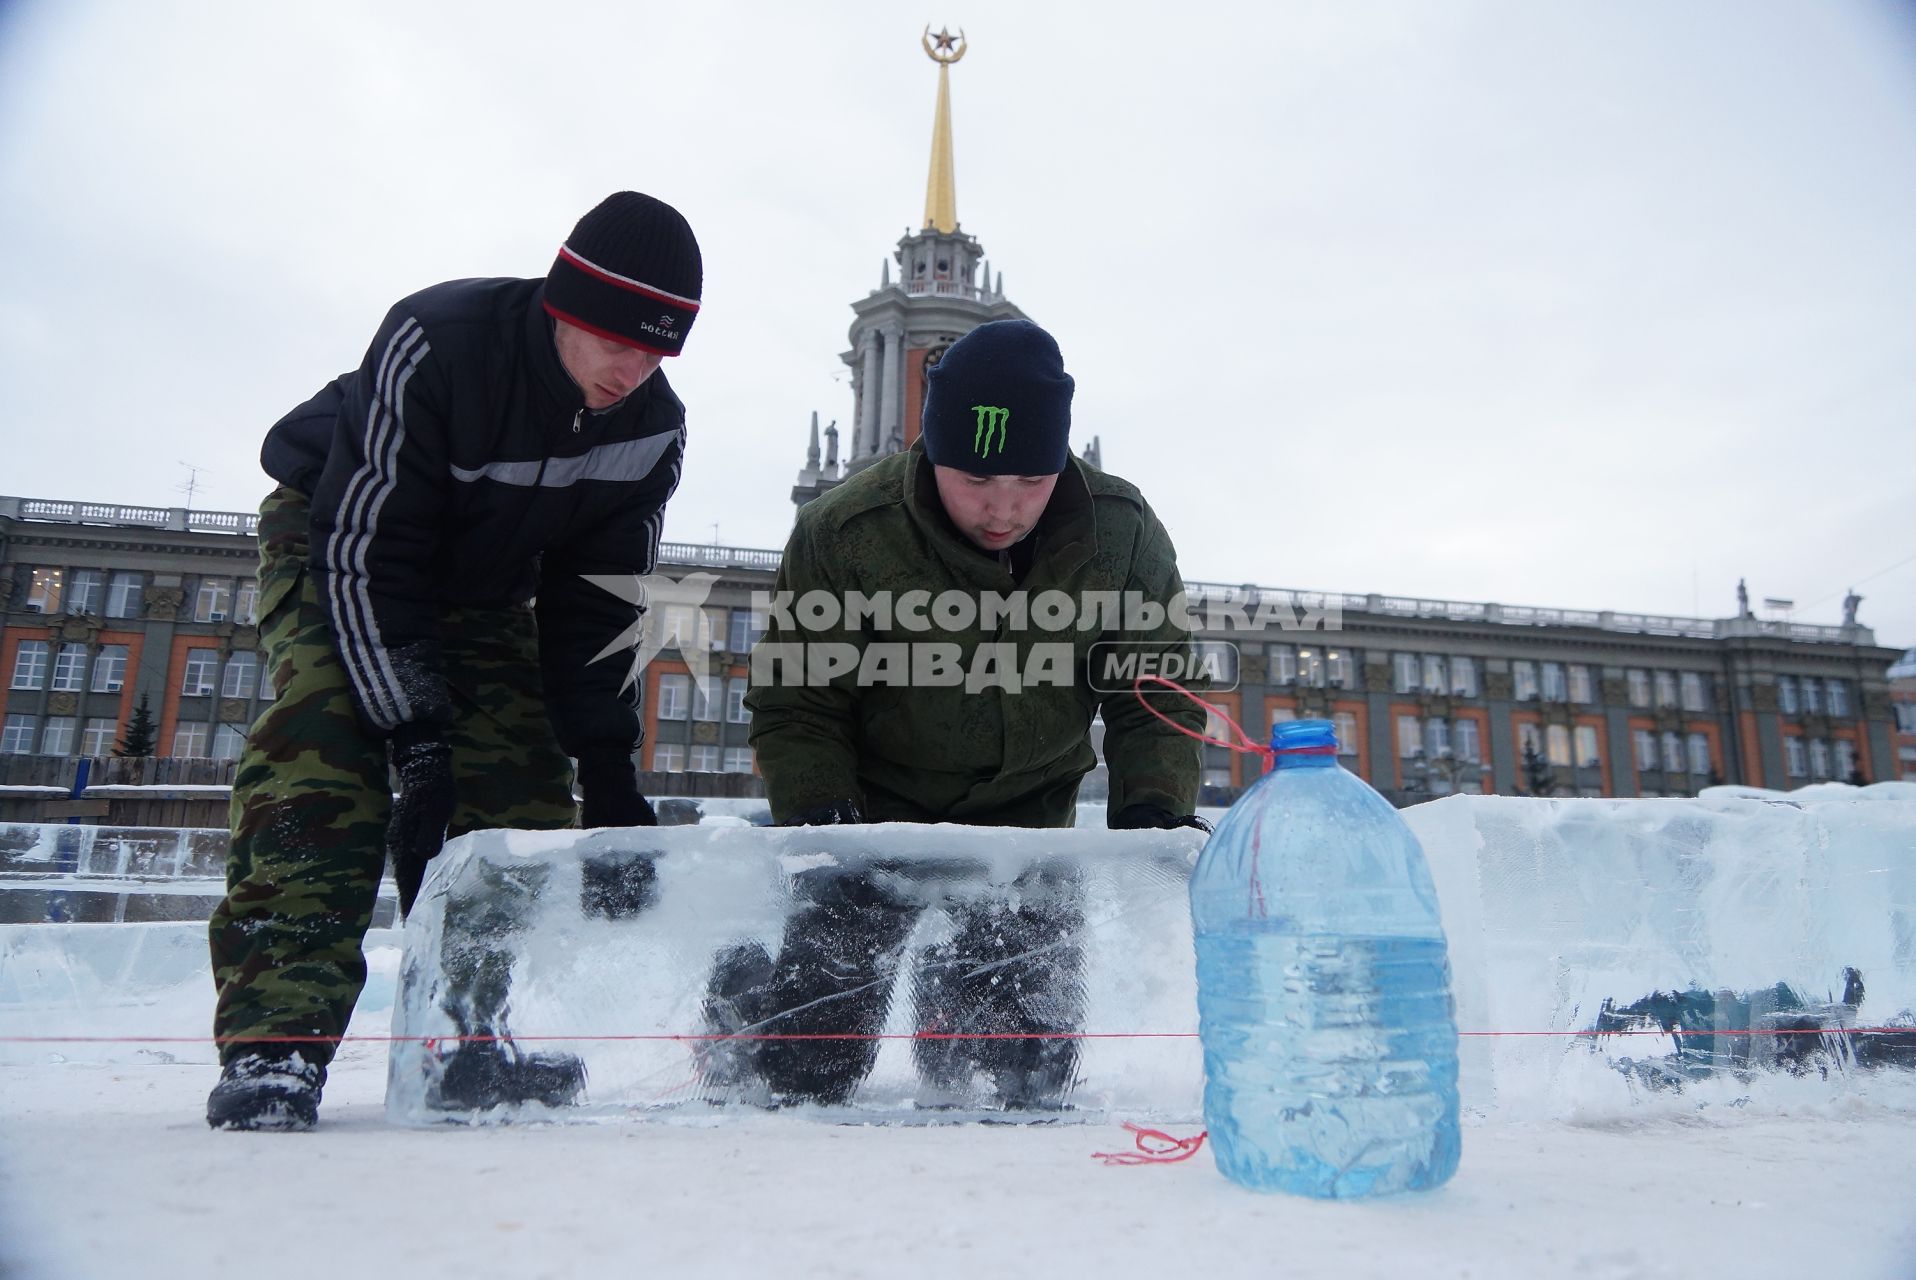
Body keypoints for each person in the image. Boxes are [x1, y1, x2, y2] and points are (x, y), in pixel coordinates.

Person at [205, 192, 703, 1131]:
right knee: (324, 750)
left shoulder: (648, 430)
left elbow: (595, 605)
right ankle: (277, 1046)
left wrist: (605, 765)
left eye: (658, 350)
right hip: (336, 546)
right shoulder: (438, 342)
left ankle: (469, 1037)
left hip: (483, 587)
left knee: (517, 785)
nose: (632, 369)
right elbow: (369, 550)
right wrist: (417, 735)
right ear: (564, 304)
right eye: (614, 340)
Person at [724, 319, 1208, 1111]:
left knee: (1027, 1081)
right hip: (873, 824)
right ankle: (745, 988)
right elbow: (799, 701)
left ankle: (956, 995)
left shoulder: (1118, 533)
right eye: (977, 480)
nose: (1003, 509)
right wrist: (827, 825)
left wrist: (1154, 812)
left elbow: (1154, 688)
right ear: (932, 451)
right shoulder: (844, 534)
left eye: (1030, 481)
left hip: (1024, 827)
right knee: (810, 1073)